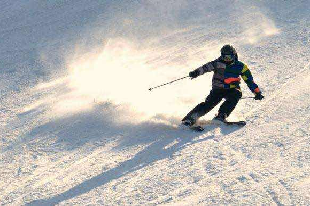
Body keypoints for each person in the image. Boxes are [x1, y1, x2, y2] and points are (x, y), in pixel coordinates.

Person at [182, 44, 264, 126]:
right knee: (209, 103)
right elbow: (205, 68)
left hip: (232, 89)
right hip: (218, 89)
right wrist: (195, 73)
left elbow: (249, 80)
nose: (227, 60)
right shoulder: (217, 63)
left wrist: (257, 92)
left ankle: (221, 115)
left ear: (234, 55)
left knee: (236, 94)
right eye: (225, 57)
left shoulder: (240, 66)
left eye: (229, 57)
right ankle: (191, 118)